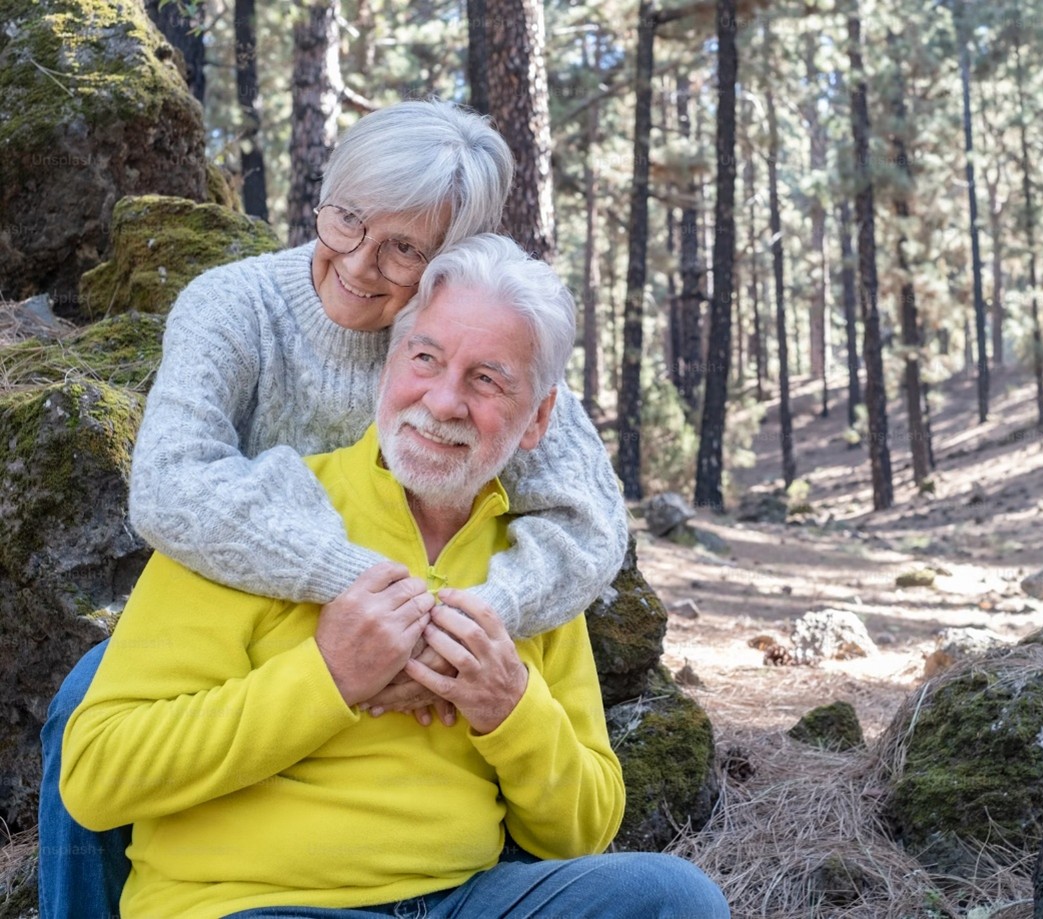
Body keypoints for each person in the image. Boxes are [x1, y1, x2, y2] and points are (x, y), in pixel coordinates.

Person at [38, 101, 628, 917]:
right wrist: (368, 592)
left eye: (404, 248)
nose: (356, 261)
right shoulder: (236, 304)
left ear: (448, 260)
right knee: (86, 699)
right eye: (347, 218)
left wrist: (461, 627)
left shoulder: (466, 340)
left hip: (423, 629)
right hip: (224, 593)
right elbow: (171, 482)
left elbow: (588, 523)